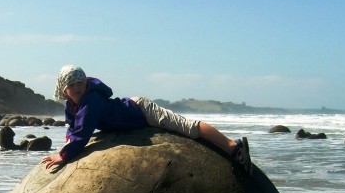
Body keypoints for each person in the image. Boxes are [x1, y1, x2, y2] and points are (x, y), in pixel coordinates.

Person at [40, 65, 251, 174]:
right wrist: (64, 147)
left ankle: (234, 147)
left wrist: (65, 155)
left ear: (86, 83)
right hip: (130, 113)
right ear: (64, 90)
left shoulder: (91, 100)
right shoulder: (72, 105)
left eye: (80, 82)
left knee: (188, 128)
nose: (77, 88)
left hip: (141, 110)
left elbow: (83, 132)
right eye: (72, 85)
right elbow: (72, 128)